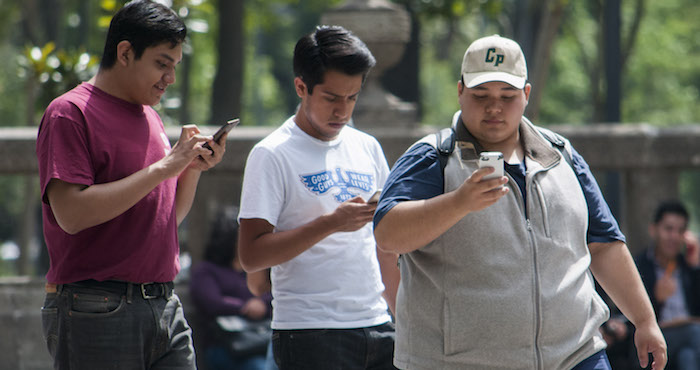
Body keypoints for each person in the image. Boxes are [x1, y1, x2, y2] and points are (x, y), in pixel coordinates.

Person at [372, 34, 667, 370]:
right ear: (459, 92)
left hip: (577, 355)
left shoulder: (563, 156)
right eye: (480, 95)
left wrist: (645, 321)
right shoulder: (432, 157)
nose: (494, 107)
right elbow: (388, 234)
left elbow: (604, 245)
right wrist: (458, 202)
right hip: (458, 363)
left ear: (526, 94)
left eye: (507, 96)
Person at [36, 1, 227, 369]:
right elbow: (71, 214)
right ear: (125, 52)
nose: (169, 78)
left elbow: (164, 220)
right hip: (96, 307)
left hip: (164, 305)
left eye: (174, 66)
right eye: (161, 63)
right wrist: (165, 166)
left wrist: (191, 168)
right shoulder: (70, 113)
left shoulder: (150, 117)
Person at [237, 25, 399, 369]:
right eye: (331, 98)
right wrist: (329, 224)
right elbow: (251, 255)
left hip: (378, 325)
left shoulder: (366, 147)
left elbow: (386, 244)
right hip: (309, 333)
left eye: (352, 97)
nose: (342, 110)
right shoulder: (272, 154)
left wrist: (403, 319)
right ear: (301, 87)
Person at [189, 207, 272, 370]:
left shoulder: (261, 268)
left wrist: (261, 304)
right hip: (227, 346)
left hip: (263, 341)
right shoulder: (207, 271)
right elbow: (211, 302)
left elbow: (275, 294)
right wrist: (244, 307)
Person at [636, 200, 700, 369]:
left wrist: (695, 269)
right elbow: (631, 320)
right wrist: (657, 299)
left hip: (689, 339)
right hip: (656, 338)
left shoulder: (688, 265)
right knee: (695, 333)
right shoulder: (639, 266)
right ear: (653, 230)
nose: (674, 237)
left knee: (688, 357)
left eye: (680, 231)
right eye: (668, 229)